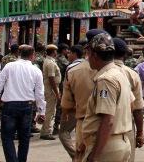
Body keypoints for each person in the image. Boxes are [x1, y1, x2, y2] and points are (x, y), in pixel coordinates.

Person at [78, 33, 133, 162]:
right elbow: (130, 104)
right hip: (121, 141)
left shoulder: (106, 79)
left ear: (95, 55)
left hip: (107, 146)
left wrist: (95, 155)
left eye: (88, 53)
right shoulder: (119, 73)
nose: (87, 58)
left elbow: (108, 119)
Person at [0, 44, 46, 162]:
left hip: (9, 106)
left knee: (7, 137)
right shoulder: (36, 70)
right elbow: (39, 93)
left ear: (19, 54)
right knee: (24, 138)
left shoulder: (9, 66)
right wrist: (42, 111)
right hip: (27, 106)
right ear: (32, 56)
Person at [61, 31, 103, 160]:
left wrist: (65, 114)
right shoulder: (117, 71)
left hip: (83, 121)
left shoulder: (74, 70)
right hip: (110, 125)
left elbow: (66, 104)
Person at [112, 38, 144, 162]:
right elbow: (138, 109)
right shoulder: (132, 74)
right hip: (127, 127)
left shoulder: (97, 72)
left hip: (103, 128)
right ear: (125, 54)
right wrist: (140, 133)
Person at [41, 44, 62, 140]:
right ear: (53, 52)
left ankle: (45, 130)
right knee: (50, 111)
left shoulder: (49, 61)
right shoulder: (50, 63)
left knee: (49, 110)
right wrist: (57, 93)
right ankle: (46, 132)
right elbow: (51, 78)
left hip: (50, 88)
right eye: (55, 51)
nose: (56, 53)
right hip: (51, 89)